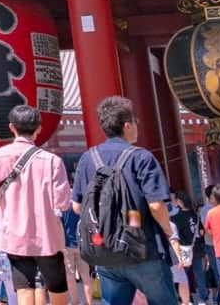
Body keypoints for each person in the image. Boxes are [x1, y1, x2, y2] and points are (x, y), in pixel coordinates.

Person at [72, 96, 178, 305]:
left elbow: (77, 207)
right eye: (135, 122)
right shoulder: (141, 157)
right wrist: (168, 230)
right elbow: (156, 205)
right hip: (143, 248)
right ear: (127, 125)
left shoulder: (87, 158)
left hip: (105, 251)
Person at [0, 104, 73, 305]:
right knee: (56, 288)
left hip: (14, 234)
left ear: (12, 127)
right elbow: (63, 203)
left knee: (24, 288)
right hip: (47, 235)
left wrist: (0, 206)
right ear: (38, 128)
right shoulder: (52, 161)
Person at [166, 193, 196, 305]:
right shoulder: (170, 223)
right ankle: (185, 302)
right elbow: (174, 242)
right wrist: (179, 258)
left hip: (156, 257)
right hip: (174, 256)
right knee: (182, 279)